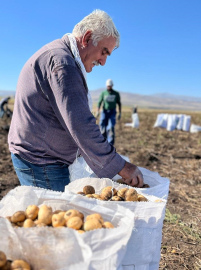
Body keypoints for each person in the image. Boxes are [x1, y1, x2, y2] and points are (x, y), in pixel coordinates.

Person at [8, 10, 144, 192]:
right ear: (87, 38)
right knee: (56, 217)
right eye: (104, 52)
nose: (103, 62)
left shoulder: (62, 56)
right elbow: (81, 125)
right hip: (42, 162)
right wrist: (122, 167)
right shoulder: (62, 64)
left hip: (43, 158)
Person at [96, 79, 122, 145]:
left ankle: (110, 144)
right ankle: (103, 141)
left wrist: (120, 113)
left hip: (112, 112)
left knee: (110, 127)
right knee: (102, 125)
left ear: (112, 86)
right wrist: (97, 111)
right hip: (104, 111)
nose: (109, 87)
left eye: (110, 86)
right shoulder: (103, 93)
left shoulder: (116, 93)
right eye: (108, 86)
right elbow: (99, 102)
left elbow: (119, 103)